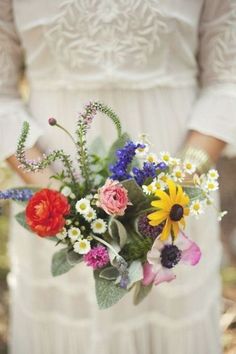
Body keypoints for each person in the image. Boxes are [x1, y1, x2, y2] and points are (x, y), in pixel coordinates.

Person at [1, 0, 236, 353]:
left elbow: (227, 80)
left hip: (174, 200)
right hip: (50, 187)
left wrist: (177, 185)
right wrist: (61, 204)